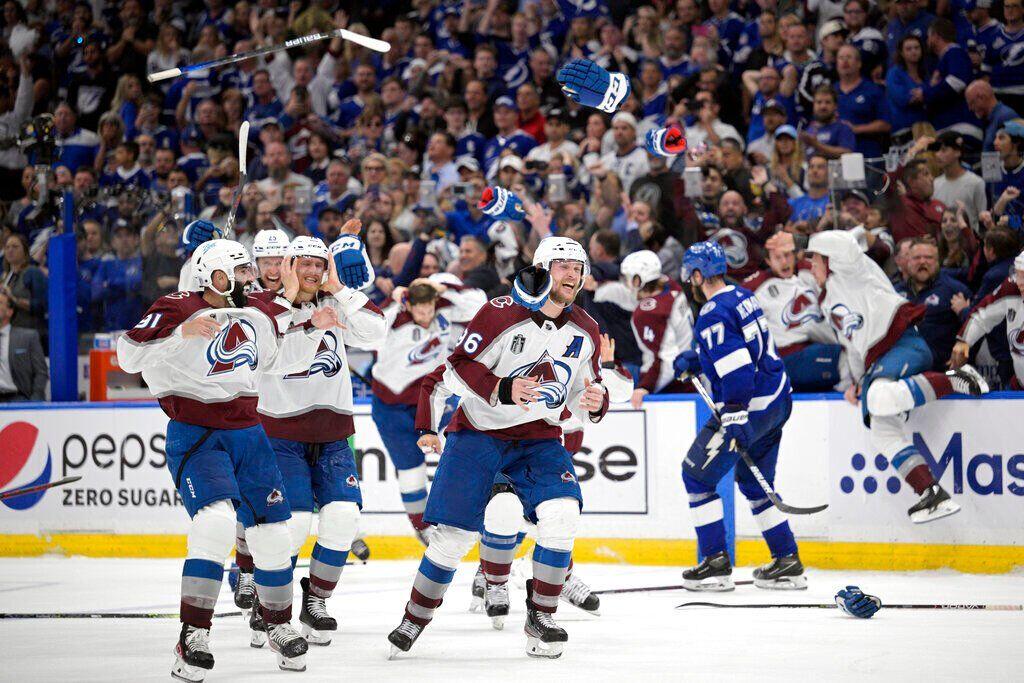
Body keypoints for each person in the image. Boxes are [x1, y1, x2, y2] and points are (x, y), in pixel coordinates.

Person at [116, 239, 340, 679]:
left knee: (275, 532)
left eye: (246, 272)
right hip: (197, 435)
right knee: (215, 522)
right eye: (237, 273)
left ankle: (278, 624)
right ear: (211, 274)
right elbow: (128, 355)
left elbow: (276, 362)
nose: (248, 279)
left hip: (249, 435)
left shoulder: (255, 312)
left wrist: (312, 330)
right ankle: (192, 635)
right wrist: (179, 333)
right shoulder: (177, 307)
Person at [387, 237, 610, 660]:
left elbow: (586, 390)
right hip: (478, 434)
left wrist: (596, 402)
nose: (570, 274)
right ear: (541, 269)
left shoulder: (587, 329)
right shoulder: (499, 313)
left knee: (562, 514)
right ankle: (414, 618)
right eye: (561, 265)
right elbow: (456, 369)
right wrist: (502, 388)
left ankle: (541, 617)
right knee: (452, 538)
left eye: (577, 267)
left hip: (539, 438)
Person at [231, 236, 386, 648]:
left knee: (342, 519)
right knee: (293, 525)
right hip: (280, 434)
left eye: (321, 265)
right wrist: (305, 323)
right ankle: (269, 604)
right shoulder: (262, 307)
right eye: (306, 264)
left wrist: (339, 291)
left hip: (333, 434)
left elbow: (376, 332)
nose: (313, 272)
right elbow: (272, 360)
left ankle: (315, 600)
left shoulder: (333, 303)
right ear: (288, 266)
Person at [804, 230, 989, 524]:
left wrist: (832, 236)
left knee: (878, 398)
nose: (810, 266)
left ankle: (954, 379)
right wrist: (857, 381)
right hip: (877, 362)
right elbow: (852, 346)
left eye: (813, 259)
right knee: (881, 431)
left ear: (829, 258)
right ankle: (931, 492)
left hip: (902, 343)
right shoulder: (827, 302)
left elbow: (848, 246)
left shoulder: (853, 271)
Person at [673, 241, 804, 591]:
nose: (691, 284)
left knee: (696, 477)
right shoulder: (743, 296)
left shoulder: (711, 313)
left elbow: (738, 370)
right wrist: (699, 359)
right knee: (753, 481)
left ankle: (715, 564)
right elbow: (743, 348)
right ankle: (786, 560)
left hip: (750, 406)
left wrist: (734, 417)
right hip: (777, 400)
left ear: (698, 275)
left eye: (692, 277)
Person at [369, 278, 486, 542]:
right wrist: (393, 299)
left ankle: (477, 512)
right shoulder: (395, 320)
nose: (424, 314)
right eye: (418, 308)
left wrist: (446, 288)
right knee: (411, 469)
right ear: (408, 304)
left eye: (428, 307)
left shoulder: (444, 308)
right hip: (391, 406)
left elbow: (479, 302)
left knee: (468, 446)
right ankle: (422, 527)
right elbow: (367, 330)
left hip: (433, 399)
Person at [742, 233, 845, 392]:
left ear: (795, 255)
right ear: (768, 262)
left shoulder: (808, 273)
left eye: (787, 255)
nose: (784, 261)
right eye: (777, 257)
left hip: (816, 348)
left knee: (853, 349)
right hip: (788, 359)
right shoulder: (757, 287)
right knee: (847, 358)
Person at [619, 250, 694, 409]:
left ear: (638, 280)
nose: (626, 284)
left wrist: (646, 387)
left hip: (673, 386)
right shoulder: (671, 286)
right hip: (690, 373)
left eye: (628, 278)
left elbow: (665, 357)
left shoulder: (648, 313)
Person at [952, 249, 1024, 389]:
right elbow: (981, 316)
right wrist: (964, 343)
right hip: (1019, 385)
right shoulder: (1011, 287)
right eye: (1019, 275)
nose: (1020, 283)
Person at [902, 237, 973, 372]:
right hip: (906, 373)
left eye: (928, 257)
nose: (923, 261)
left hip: (944, 373)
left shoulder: (955, 290)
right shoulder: (895, 292)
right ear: (908, 262)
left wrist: (964, 347)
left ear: (938, 262)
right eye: (917, 258)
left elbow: (974, 327)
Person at [930, 132, 987, 231]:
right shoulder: (935, 184)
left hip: (969, 241)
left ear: (958, 152)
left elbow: (982, 217)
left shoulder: (975, 183)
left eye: (943, 150)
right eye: (937, 150)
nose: (938, 154)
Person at [0, 290, 47, 402]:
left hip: (18, 398)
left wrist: (35, 401)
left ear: (10, 312)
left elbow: (40, 372)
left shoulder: (28, 337)